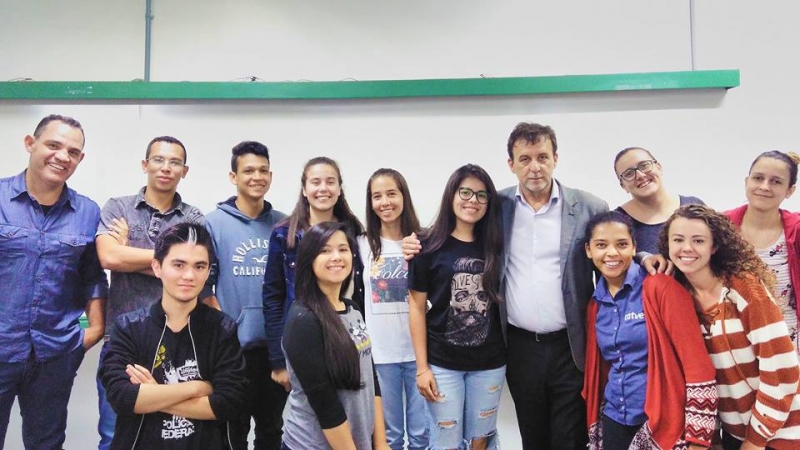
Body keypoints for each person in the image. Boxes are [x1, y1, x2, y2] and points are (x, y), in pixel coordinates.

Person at [0, 114, 108, 449]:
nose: (63, 156)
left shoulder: (87, 211)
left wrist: (93, 329)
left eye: (73, 152)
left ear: (80, 159)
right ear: (30, 144)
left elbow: (92, 278)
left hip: (55, 353)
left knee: (46, 443)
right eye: (54, 145)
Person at [500, 122, 608, 449]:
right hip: (519, 346)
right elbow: (453, 231)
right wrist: (414, 242)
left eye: (542, 157)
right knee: (533, 436)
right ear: (511, 164)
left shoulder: (589, 207)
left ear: (555, 159)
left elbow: (614, 257)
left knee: (570, 438)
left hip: (570, 346)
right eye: (525, 159)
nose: (535, 167)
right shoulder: (496, 207)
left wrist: (645, 258)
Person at [94, 135, 204, 449]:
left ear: (185, 171)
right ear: (145, 164)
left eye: (175, 162)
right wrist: (171, 260)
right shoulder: (118, 207)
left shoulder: (193, 217)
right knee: (114, 435)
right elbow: (109, 257)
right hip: (122, 340)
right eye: (158, 159)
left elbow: (193, 270)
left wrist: (130, 252)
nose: (166, 167)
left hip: (179, 343)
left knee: (173, 434)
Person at [661, 204, 800, 449]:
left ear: (714, 246)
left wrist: (755, 440)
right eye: (678, 239)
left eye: (698, 240)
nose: (686, 248)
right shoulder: (678, 297)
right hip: (733, 434)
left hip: (781, 434)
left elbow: (782, 371)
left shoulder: (744, 288)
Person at [99, 222, 247, 449]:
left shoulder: (222, 329)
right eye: (178, 265)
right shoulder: (129, 328)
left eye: (199, 266)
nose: (189, 275)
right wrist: (197, 388)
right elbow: (122, 397)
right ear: (157, 267)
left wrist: (154, 395)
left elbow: (228, 403)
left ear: (208, 272)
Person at [582, 211, 717, 450]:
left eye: (621, 244)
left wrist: (699, 439)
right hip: (614, 418)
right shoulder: (595, 304)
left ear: (634, 247)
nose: (612, 253)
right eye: (601, 245)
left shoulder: (661, 289)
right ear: (589, 250)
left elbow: (698, 365)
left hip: (662, 421)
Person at [409, 164, 506, 449]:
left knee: (481, 440)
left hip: (489, 364)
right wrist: (422, 368)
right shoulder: (426, 245)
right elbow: (416, 308)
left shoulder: (497, 246)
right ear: (451, 195)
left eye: (481, 195)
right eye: (465, 192)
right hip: (442, 364)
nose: (472, 200)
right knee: (445, 441)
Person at [202, 141, 288, 449]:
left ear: (271, 176)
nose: (257, 177)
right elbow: (204, 285)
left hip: (275, 350)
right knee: (232, 432)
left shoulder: (284, 224)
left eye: (263, 170)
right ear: (233, 176)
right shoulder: (213, 223)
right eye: (249, 170)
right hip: (233, 350)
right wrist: (224, 329)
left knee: (271, 430)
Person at [282, 221, 389, 449]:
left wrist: (380, 443)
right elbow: (325, 404)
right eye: (325, 251)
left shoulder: (353, 309)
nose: (336, 257)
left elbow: (371, 379)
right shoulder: (303, 320)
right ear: (309, 259)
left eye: (343, 249)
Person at [263, 156, 364, 394]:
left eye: (330, 182)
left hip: (349, 335)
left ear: (339, 188)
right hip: (303, 337)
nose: (323, 188)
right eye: (315, 182)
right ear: (304, 189)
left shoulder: (354, 229)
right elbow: (272, 297)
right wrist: (278, 360)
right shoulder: (284, 234)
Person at [357, 168, 427, 450]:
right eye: (377, 196)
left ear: (403, 197)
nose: (385, 202)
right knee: (389, 437)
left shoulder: (424, 241)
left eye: (391, 194)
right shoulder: (360, 244)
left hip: (419, 355)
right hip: (380, 355)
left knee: (422, 436)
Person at [725, 151, 800, 353]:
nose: (765, 186)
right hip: (736, 348)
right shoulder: (720, 228)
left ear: (790, 190)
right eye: (758, 178)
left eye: (776, 181)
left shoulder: (796, 230)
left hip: (789, 347)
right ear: (746, 181)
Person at [613, 147, 704, 254]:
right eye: (629, 174)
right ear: (623, 186)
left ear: (659, 167)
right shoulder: (616, 222)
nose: (640, 175)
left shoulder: (694, 206)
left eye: (644, 165)